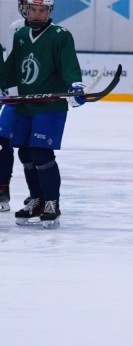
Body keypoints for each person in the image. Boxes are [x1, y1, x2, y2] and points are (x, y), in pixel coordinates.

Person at [1, 0, 86, 228]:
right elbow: (11, 69)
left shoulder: (60, 35)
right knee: (26, 154)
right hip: (24, 105)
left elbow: (69, 64)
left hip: (49, 106)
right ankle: (36, 200)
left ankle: (51, 203)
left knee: (41, 153)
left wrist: (75, 84)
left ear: (49, 12)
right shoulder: (20, 35)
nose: (38, 14)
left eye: (43, 10)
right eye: (34, 10)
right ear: (26, 11)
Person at [0, 0, 27, 212]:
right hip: (13, 98)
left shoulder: (54, 32)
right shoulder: (15, 27)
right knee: (3, 143)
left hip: (34, 101)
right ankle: (2, 190)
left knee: (31, 149)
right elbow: (9, 61)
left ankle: (39, 195)